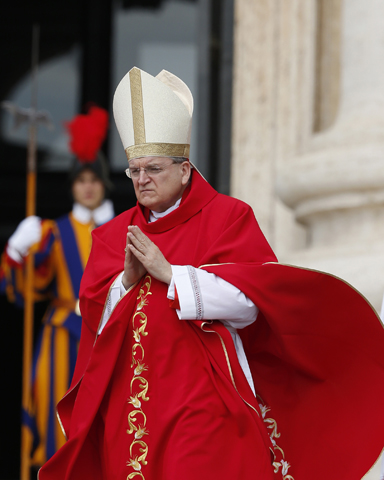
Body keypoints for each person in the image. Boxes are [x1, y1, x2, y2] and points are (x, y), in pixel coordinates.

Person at [39, 68, 384, 480]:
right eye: (134, 171)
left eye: (153, 169)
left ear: (185, 169)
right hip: (131, 409)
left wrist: (173, 275)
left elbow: (251, 305)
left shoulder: (228, 218)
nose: (142, 180)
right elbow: (93, 316)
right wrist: (126, 282)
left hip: (201, 403)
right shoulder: (114, 236)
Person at [0, 105, 114, 468]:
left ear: (104, 184)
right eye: (82, 180)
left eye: (94, 180)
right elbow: (26, 291)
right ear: (72, 186)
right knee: (57, 420)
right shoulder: (54, 233)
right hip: (62, 337)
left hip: (110, 334)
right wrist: (17, 252)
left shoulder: (125, 229)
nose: (89, 187)